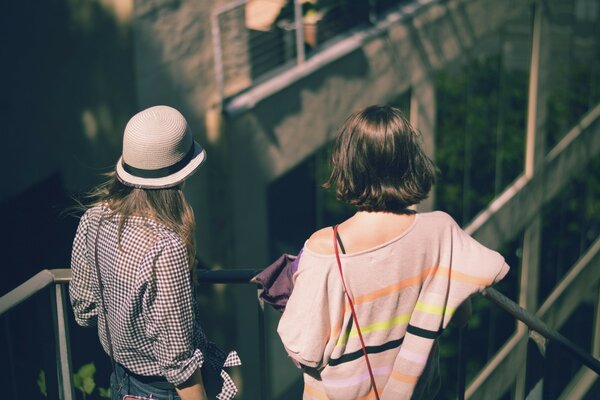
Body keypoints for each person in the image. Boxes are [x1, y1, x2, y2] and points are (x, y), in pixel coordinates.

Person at [277, 105, 509, 399]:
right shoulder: (440, 231)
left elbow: (304, 351)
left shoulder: (324, 249)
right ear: (410, 163)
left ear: (348, 164)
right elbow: (460, 315)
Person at [69, 105, 240, 400]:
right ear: (180, 177)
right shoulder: (166, 247)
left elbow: (84, 312)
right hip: (162, 391)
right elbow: (179, 365)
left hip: (120, 381)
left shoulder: (94, 218)